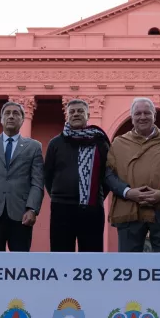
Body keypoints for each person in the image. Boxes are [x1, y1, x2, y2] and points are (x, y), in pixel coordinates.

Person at [105, 98, 160, 252]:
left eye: (147, 113)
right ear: (132, 117)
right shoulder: (119, 143)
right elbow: (109, 174)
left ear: (154, 116)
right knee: (128, 267)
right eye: (138, 113)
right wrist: (127, 192)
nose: (142, 117)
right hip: (129, 211)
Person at [0, 101, 44, 251]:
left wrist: (32, 209)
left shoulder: (34, 146)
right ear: (1, 119)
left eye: (16, 113)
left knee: (20, 263)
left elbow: (37, 181)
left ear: (22, 120)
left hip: (22, 214)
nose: (11, 116)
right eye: (7, 113)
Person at [44, 99, 110, 252]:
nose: (76, 114)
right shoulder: (56, 143)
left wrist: (95, 194)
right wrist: (58, 194)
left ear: (87, 115)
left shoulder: (99, 141)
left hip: (92, 208)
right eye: (72, 112)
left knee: (91, 255)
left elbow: (107, 175)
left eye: (80, 111)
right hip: (61, 207)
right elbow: (48, 175)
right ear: (67, 116)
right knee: (61, 253)